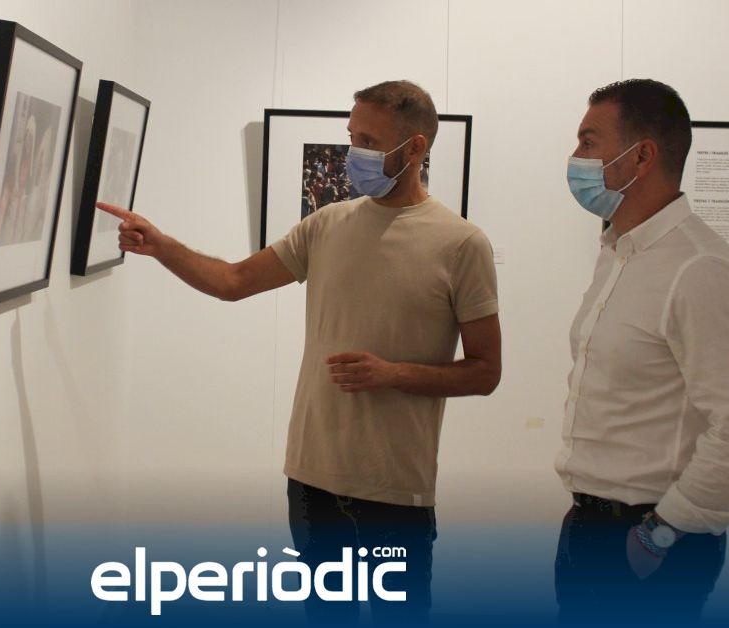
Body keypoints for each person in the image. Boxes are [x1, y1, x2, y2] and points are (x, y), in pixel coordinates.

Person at [97, 80, 501, 625]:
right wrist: (161, 246)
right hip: (313, 480)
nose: (354, 153)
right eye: (352, 137)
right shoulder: (327, 224)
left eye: (369, 141)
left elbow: (485, 371)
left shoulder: (462, 244)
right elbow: (234, 281)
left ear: (416, 148)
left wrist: (393, 373)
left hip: (395, 490)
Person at [555, 78, 729, 623]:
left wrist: (664, 532)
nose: (575, 156)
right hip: (589, 525)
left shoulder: (700, 268)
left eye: (589, 141)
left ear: (642, 156)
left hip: (648, 537)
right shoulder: (619, 252)